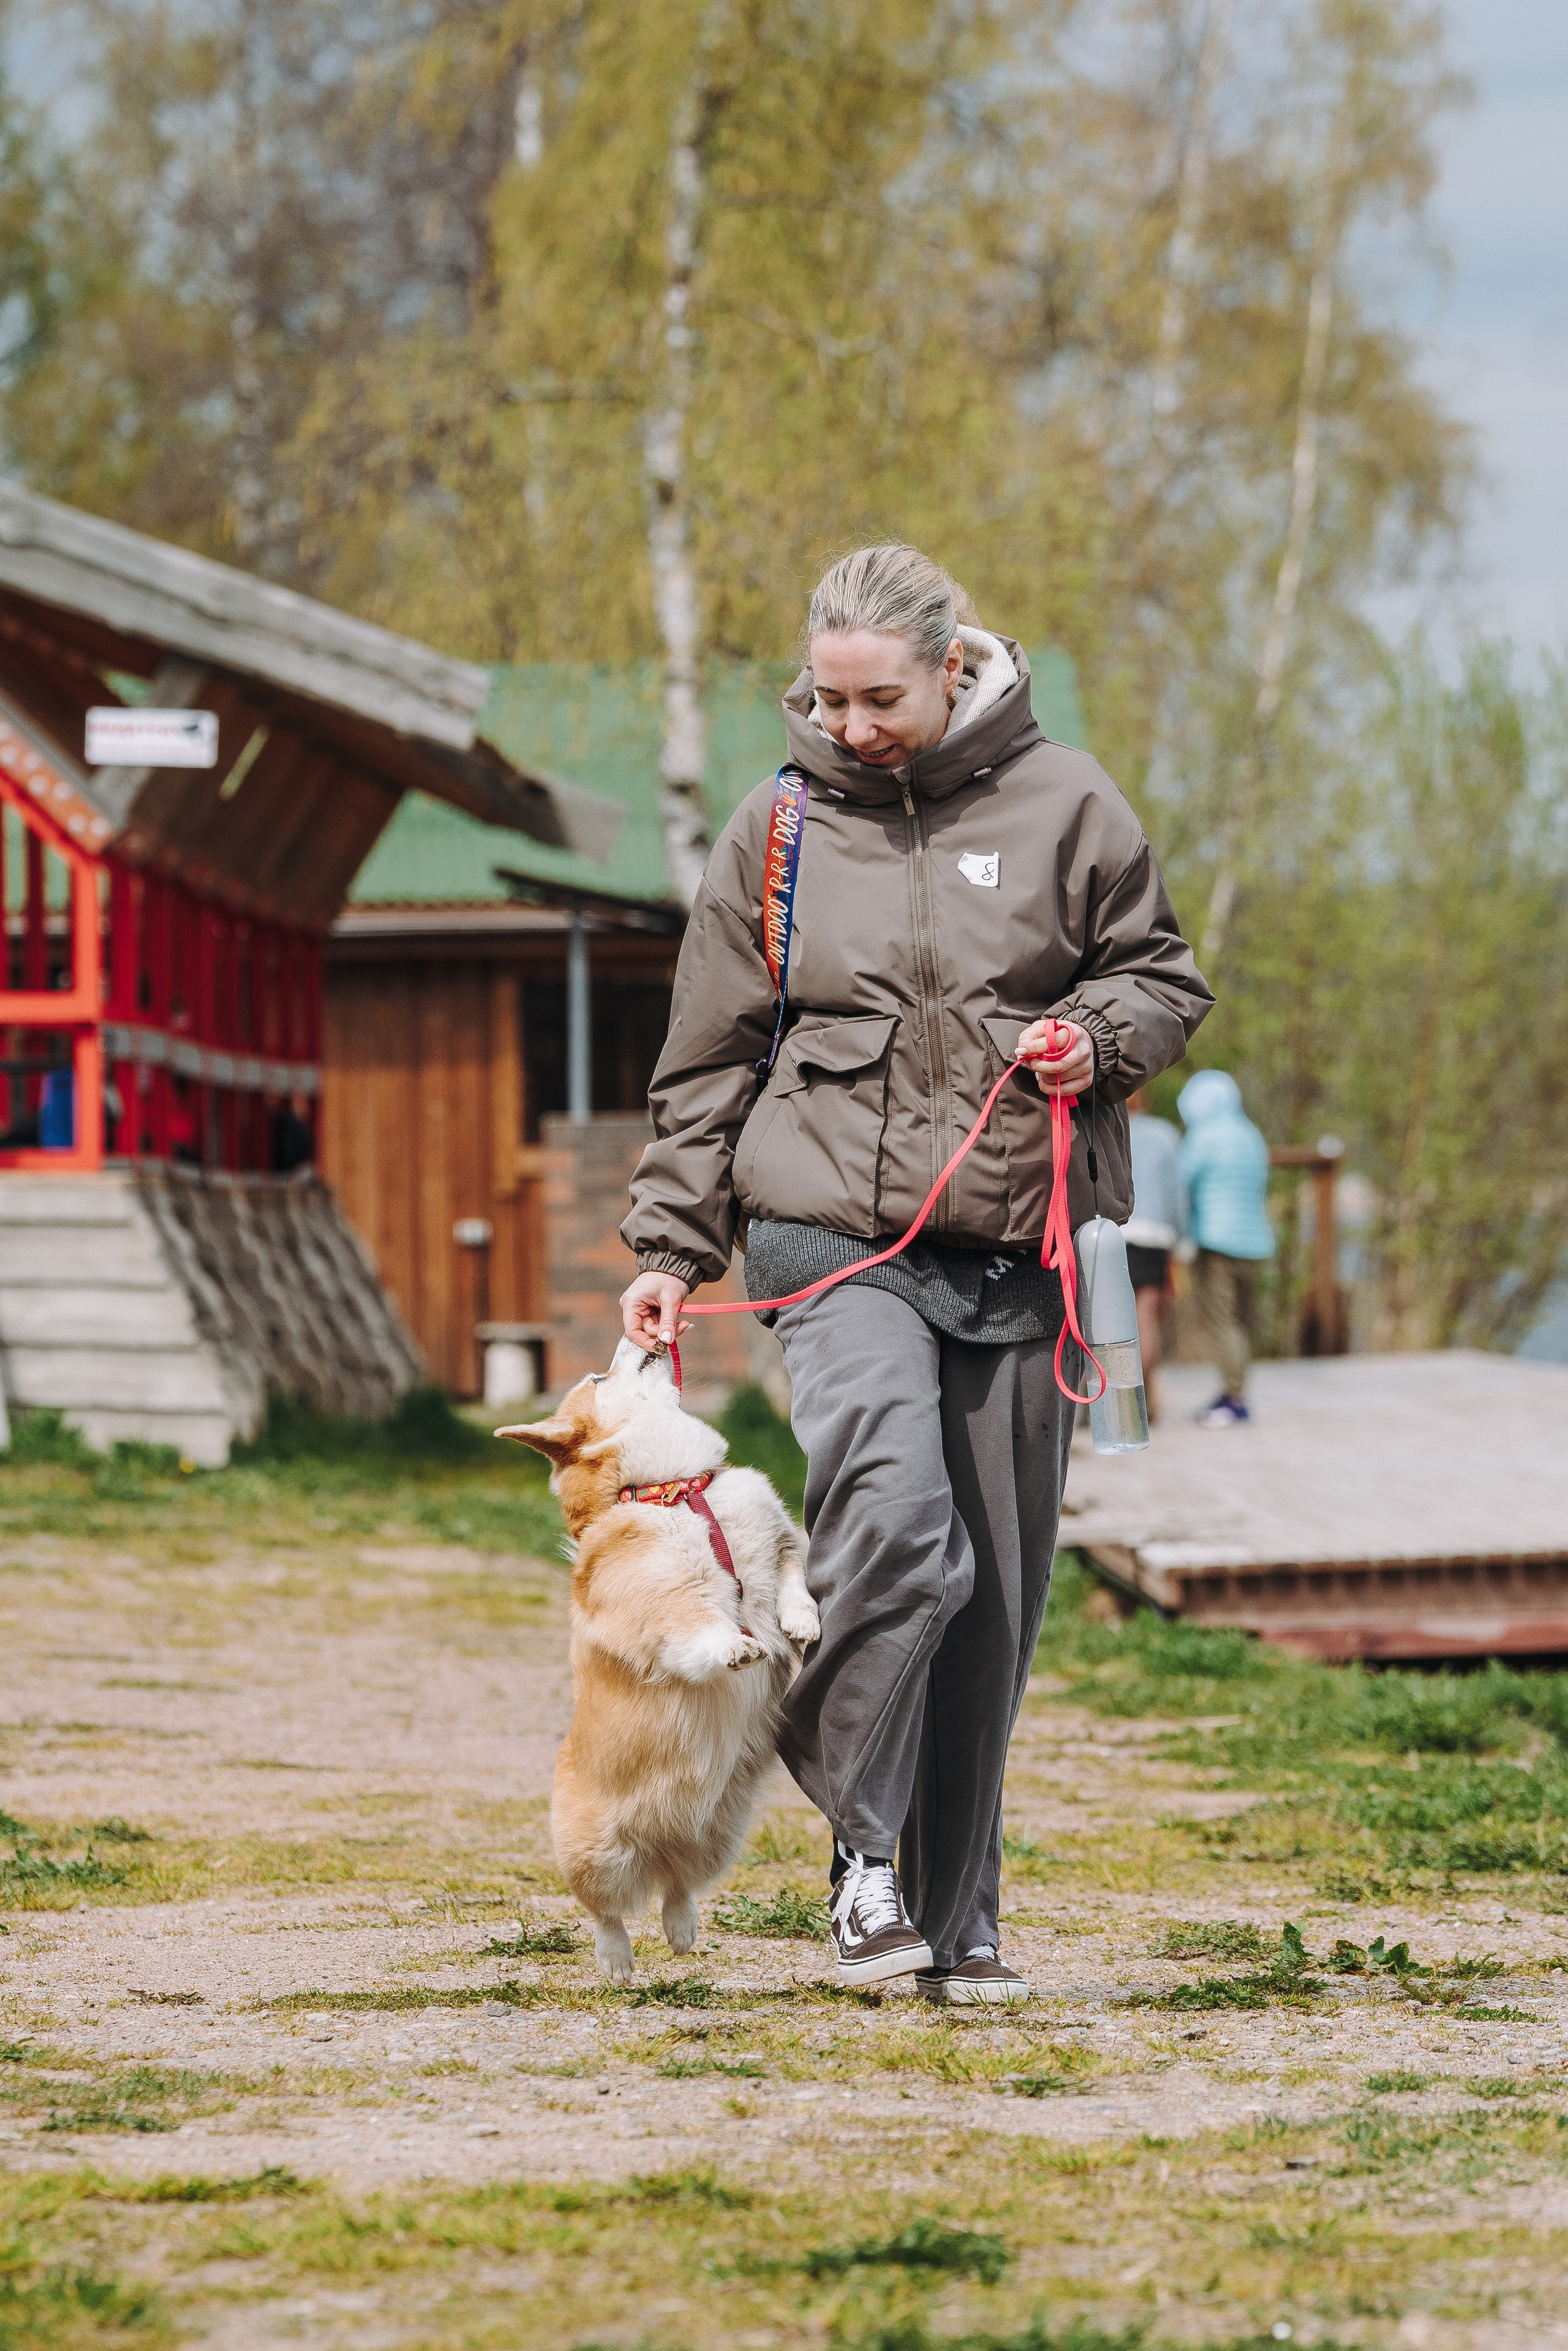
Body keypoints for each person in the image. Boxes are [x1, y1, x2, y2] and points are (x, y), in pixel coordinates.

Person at [620, 544, 1212, 2002]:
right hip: (829, 1233)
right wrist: (668, 1247)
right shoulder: (778, 823)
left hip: (1019, 1238)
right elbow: (708, 1055)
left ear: (953, 669)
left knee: (994, 1596)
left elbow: (1160, 973)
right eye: (827, 697)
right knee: (895, 1521)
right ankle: (856, 1836)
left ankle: (950, 1920)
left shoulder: (1068, 800)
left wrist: (1099, 1034)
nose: (851, 724)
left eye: (879, 697)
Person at [1177, 1068, 1274, 1427]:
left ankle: (1234, 1399)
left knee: (1220, 1322)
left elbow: (1181, 1180)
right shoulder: (1251, 1135)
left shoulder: (1205, 1136)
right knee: (1243, 1322)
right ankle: (1234, 1392)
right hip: (1255, 1242)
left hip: (1216, 1242)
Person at [1124, 1091, 1185, 1424]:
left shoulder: (1100, 1128)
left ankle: (1104, 1402)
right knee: (1146, 1319)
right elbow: (1177, 1191)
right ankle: (1143, 1401)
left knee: (1102, 1321)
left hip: (1109, 1233)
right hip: (1153, 1236)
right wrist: (1181, 1237)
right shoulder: (1164, 1135)